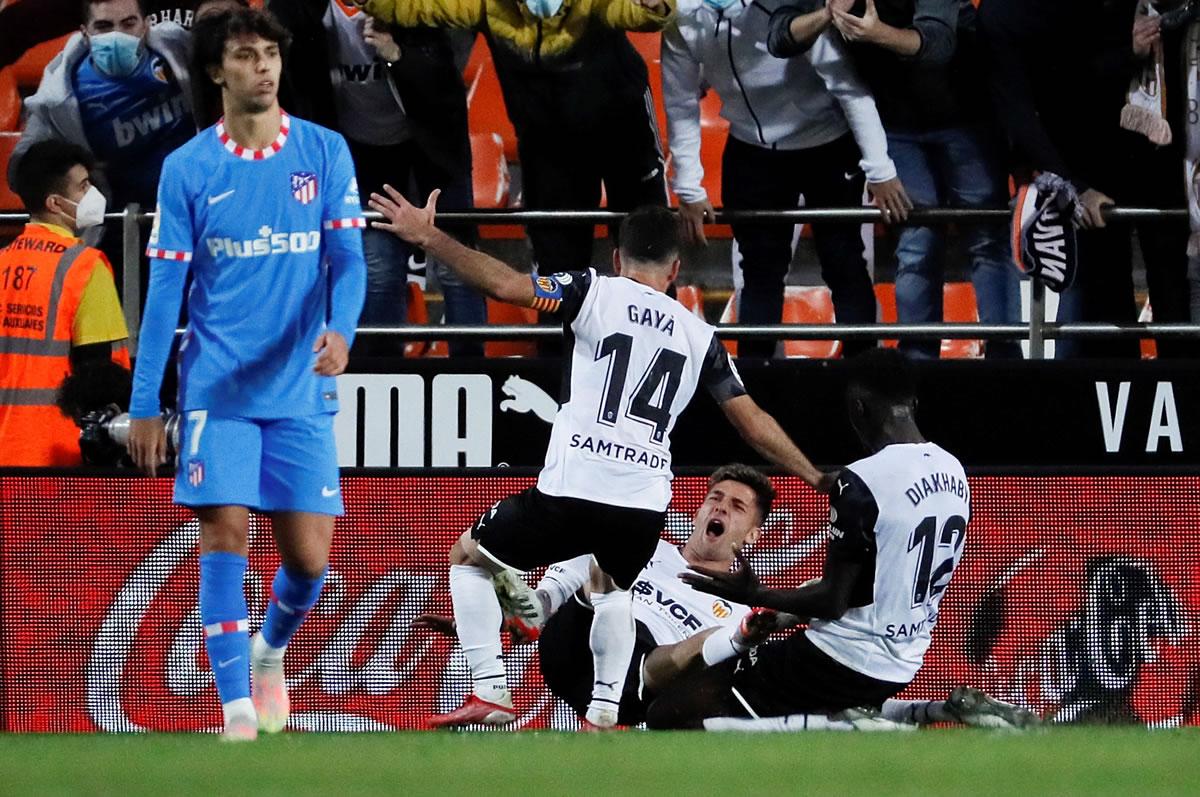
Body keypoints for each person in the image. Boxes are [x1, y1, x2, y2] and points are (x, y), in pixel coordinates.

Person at [369, 193, 832, 728]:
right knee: (614, 588)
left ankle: (491, 689)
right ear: (676, 270)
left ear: (617, 258)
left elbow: (504, 286)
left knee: (470, 558)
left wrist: (429, 237)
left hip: (575, 484)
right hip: (642, 502)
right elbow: (751, 422)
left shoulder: (593, 291)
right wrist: (817, 476)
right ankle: (605, 713)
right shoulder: (700, 336)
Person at [126, 7, 367, 741]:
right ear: (214, 70)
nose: (262, 66)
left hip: (300, 389)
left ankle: (270, 652)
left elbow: (349, 262)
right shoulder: (189, 168)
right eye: (244, 56)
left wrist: (343, 331)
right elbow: (165, 292)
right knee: (225, 535)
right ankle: (235, 713)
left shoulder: (324, 152)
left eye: (270, 54)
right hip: (217, 392)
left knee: (309, 560)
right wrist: (146, 401)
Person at [645, 348, 973, 729]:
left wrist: (756, 594)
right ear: (913, 403)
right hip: (904, 660)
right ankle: (932, 710)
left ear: (858, 408)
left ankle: (853, 730)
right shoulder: (954, 472)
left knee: (671, 715)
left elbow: (833, 602)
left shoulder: (862, 480)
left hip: (840, 656)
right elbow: (875, 583)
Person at [768, 0, 1022, 359]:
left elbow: (938, 45)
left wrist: (877, 34)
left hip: (969, 118)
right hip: (897, 127)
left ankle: (1005, 362)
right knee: (917, 244)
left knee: (987, 240)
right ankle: (916, 365)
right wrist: (826, 14)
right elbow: (779, 35)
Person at [663, 0, 910, 359]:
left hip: (827, 145)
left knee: (845, 264)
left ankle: (865, 375)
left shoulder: (787, 6)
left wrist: (879, 168)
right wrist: (687, 185)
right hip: (751, 151)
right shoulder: (683, 16)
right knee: (760, 272)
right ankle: (758, 382)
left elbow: (848, 87)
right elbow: (680, 100)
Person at [353, 0, 673, 275]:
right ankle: (560, 346)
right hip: (548, 146)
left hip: (622, 130)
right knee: (557, 266)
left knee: (647, 247)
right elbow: (423, 5)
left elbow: (631, 11)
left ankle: (661, 341)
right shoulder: (487, 4)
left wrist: (655, 6)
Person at [270, 0, 485, 356]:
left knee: (456, 270)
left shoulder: (419, 8)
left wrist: (397, 56)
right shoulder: (306, 14)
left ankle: (476, 376)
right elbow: (283, 37)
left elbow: (447, 85)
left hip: (434, 151)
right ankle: (384, 377)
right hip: (365, 156)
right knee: (380, 270)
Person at [978, 0, 1157, 359]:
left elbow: (1085, 72)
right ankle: (1072, 388)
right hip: (1053, 159)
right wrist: (1074, 185)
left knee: (1129, 271)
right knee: (1075, 279)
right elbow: (1017, 109)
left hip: (1123, 147)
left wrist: (1130, 50)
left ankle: (1169, 388)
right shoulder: (1002, 16)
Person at [0, 140, 130, 467]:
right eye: (84, 187)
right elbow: (98, 377)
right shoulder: (85, 267)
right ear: (56, 203)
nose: (93, 195)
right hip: (59, 457)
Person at [10, 0, 195, 216]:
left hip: (196, 210)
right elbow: (21, 172)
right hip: (116, 224)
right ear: (85, 32)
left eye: (128, 24)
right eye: (104, 27)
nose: (117, 36)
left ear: (146, 26)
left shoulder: (181, 50)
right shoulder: (59, 96)